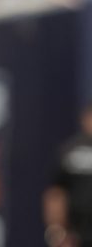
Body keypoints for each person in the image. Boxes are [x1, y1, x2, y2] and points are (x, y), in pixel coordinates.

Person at [44, 103, 92, 247]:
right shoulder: (69, 151)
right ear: (84, 119)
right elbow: (56, 193)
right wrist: (57, 231)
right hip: (77, 233)